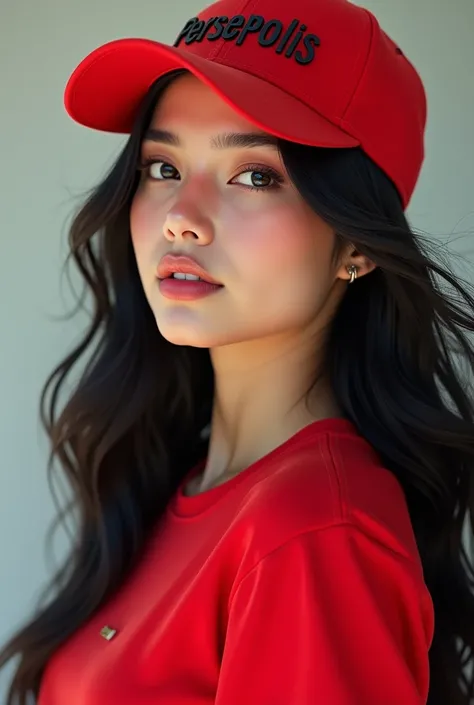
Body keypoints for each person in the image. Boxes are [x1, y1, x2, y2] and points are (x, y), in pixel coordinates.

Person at [1, 0, 474, 702]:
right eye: (162, 167)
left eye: (255, 175)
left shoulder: (314, 531)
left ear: (359, 246)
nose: (181, 219)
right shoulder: (189, 483)